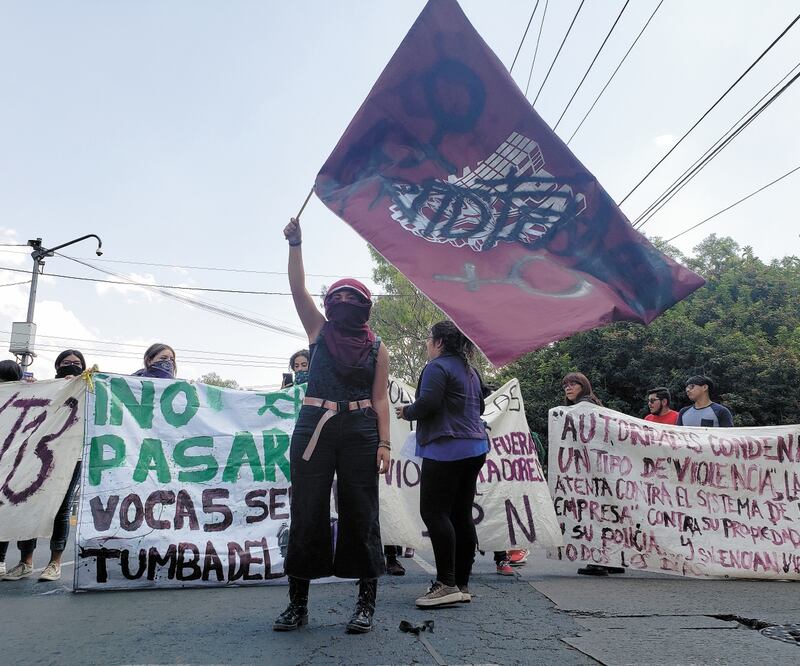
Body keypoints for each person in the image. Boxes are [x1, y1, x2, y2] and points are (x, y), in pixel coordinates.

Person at [273, 217, 390, 635]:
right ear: (328, 305)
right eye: (337, 295)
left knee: (362, 513)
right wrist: (296, 244)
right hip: (313, 427)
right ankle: (297, 604)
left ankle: (365, 605)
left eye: (351, 296)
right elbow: (297, 289)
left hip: (361, 430)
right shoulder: (317, 331)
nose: (343, 300)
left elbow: (380, 398)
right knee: (307, 510)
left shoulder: (378, 347)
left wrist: (385, 444)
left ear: (364, 306)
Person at [396, 320, 489, 607]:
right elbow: (481, 406)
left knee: (434, 512)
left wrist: (406, 411)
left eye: (428, 338)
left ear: (438, 342)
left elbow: (429, 403)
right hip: (475, 447)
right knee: (460, 514)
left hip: (447, 448)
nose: (426, 344)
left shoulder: (437, 367)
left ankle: (445, 583)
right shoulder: (469, 371)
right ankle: (461, 583)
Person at [1, 351, 86, 582]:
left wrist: (84, 386)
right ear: (57, 366)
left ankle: (54, 564)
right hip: (36, 458)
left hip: (70, 459)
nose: (72, 366)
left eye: (77, 364)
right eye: (66, 363)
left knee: (61, 509)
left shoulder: (88, 390)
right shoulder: (49, 389)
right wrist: (27, 387)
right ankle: (25, 562)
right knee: (28, 505)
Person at [561, 372, 625, 578]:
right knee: (605, 513)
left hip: (592, 469)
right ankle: (612, 560)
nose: (568, 388)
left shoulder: (585, 407)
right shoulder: (594, 404)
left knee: (592, 513)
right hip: (601, 467)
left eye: (573, 384)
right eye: (565, 386)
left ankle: (598, 560)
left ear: (584, 386)